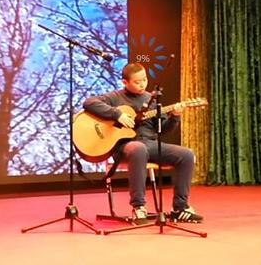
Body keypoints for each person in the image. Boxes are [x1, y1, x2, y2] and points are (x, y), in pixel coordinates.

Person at [83, 62, 203, 224]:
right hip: (124, 146)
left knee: (187, 155)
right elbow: (89, 102)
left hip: (149, 144)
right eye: (137, 82)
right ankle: (139, 207)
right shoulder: (116, 97)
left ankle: (180, 208)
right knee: (138, 149)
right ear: (125, 82)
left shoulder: (150, 99)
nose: (142, 84)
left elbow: (163, 129)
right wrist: (117, 114)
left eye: (144, 80)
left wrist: (175, 116)